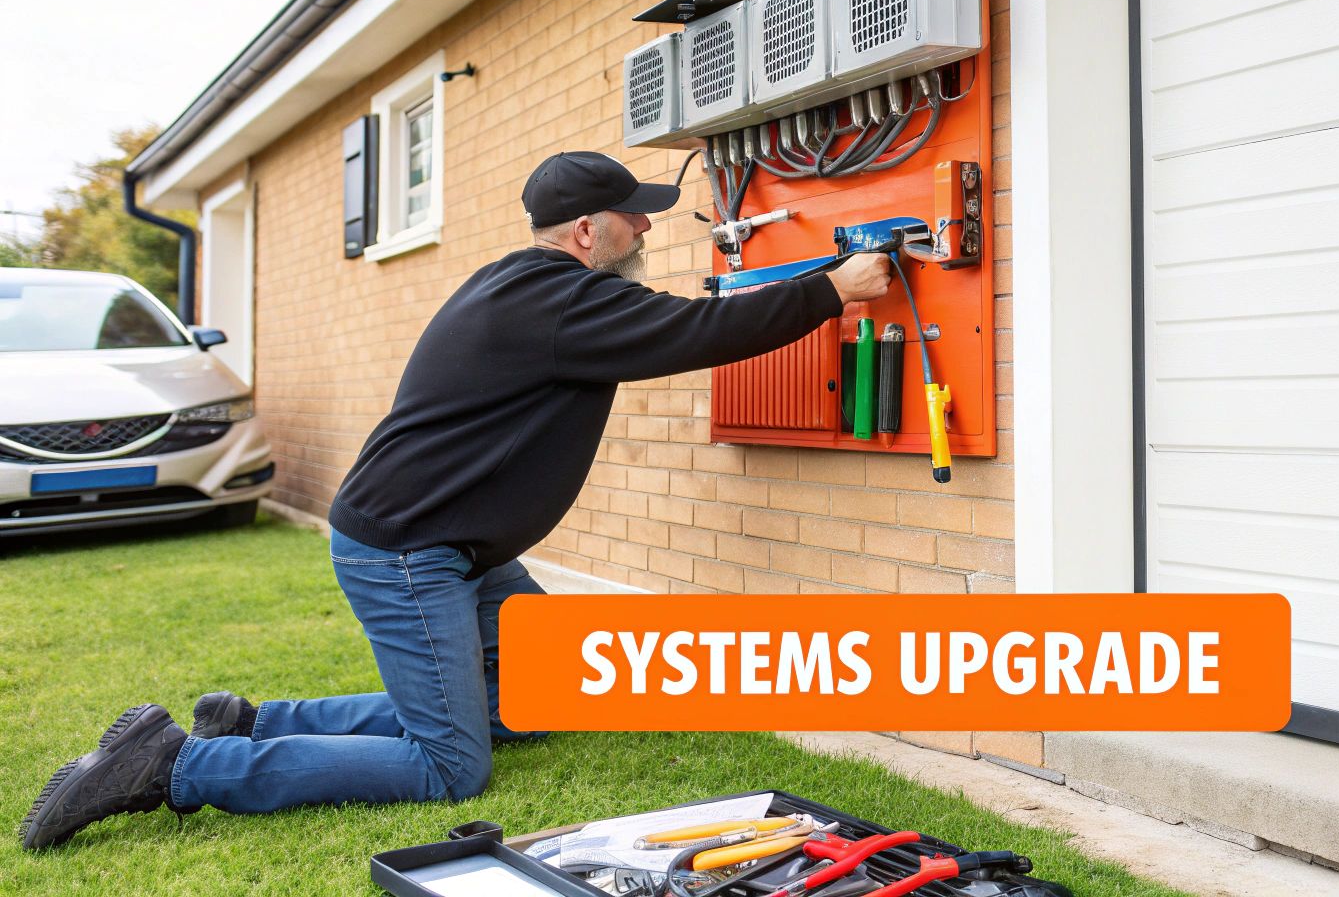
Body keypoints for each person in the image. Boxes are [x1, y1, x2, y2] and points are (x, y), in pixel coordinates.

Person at [19, 151, 890, 850]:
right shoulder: (560, 303)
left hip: (461, 548)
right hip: (410, 549)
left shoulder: (536, 286)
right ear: (590, 230)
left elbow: (682, 313)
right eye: (637, 214)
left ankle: (251, 721)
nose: (649, 225)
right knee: (448, 766)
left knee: (541, 694)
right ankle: (175, 766)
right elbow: (696, 331)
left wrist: (810, 281)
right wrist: (831, 291)